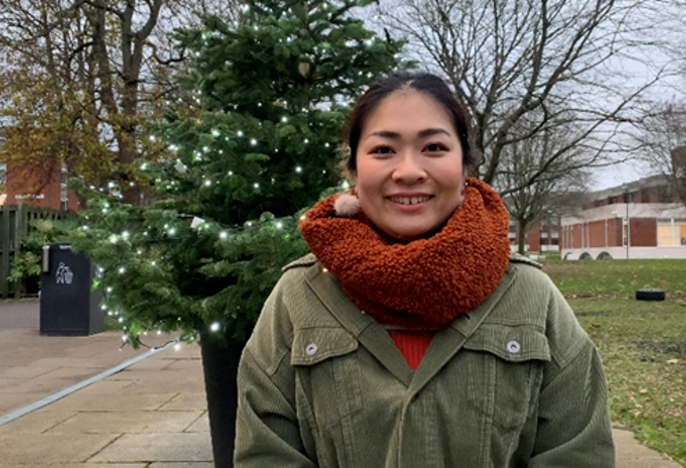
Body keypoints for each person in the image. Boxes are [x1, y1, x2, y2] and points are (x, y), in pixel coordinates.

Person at [234, 72, 615, 467]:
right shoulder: (298, 297)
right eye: (384, 150)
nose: (408, 171)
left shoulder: (532, 296)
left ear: (465, 163)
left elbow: (578, 454)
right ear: (353, 168)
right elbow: (266, 455)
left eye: (433, 146)